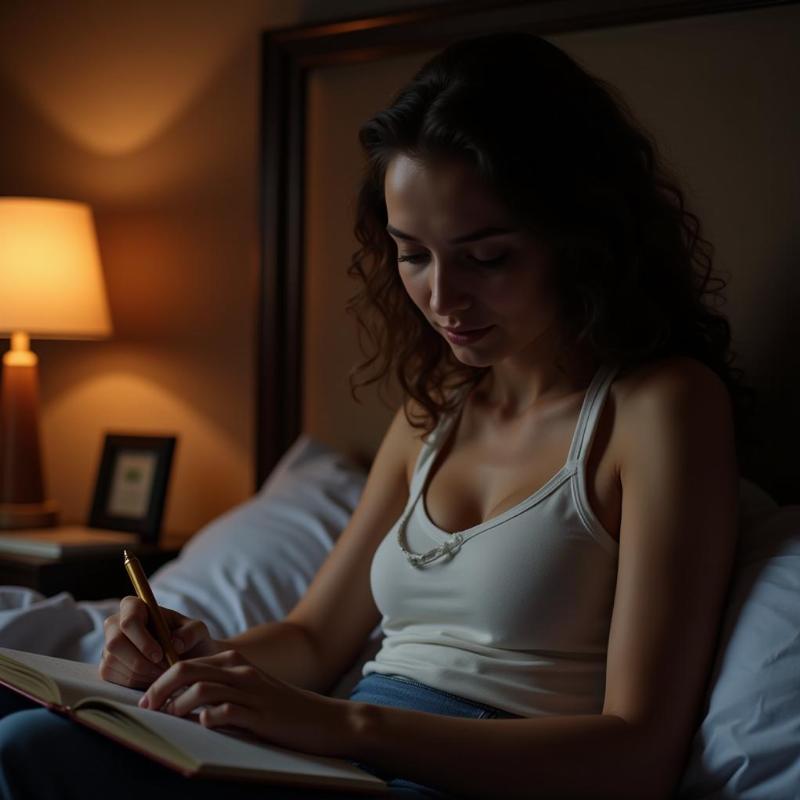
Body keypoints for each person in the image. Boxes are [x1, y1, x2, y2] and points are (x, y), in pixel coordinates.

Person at [0, 31, 750, 799]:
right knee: (28, 733)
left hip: (464, 774)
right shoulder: (434, 414)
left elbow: (638, 752)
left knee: (33, 755)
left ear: (580, 236)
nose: (442, 299)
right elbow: (314, 638)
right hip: (345, 756)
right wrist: (194, 660)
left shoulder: (662, 408)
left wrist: (340, 727)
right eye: (411, 253)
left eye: (486, 258)